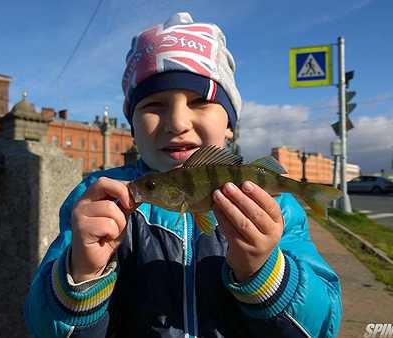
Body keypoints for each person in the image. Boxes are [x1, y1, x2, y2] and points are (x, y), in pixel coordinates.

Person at [25, 12, 342, 338]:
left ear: (231, 126)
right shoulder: (99, 200)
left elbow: (322, 326)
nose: (177, 122)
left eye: (200, 102)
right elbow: (41, 326)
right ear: (132, 126)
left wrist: (265, 270)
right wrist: (81, 273)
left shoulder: (278, 209)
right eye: (154, 105)